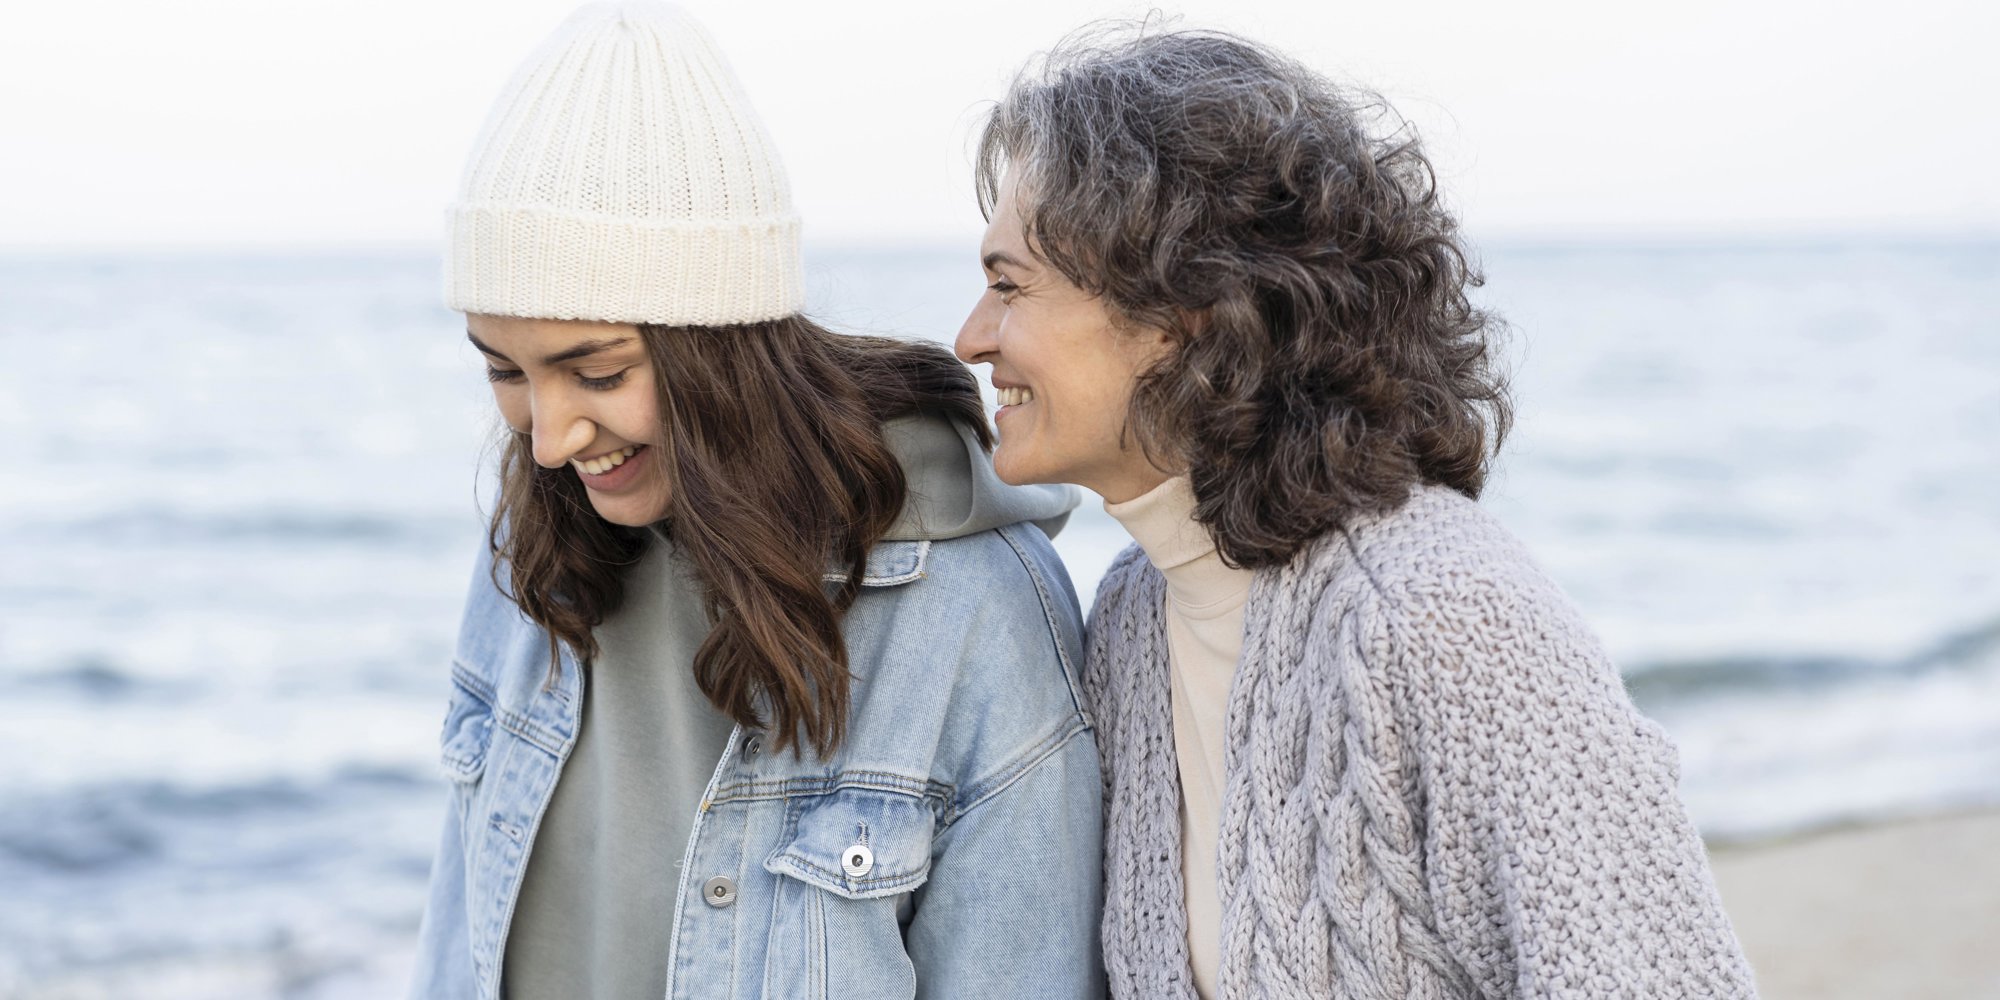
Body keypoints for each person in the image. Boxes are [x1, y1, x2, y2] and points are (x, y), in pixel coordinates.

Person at [955, 26, 1759, 1000]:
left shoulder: (1442, 616)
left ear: (1183, 310)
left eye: (1008, 286)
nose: (972, 337)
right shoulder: (1130, 620)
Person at [408, 4, 1104, 998]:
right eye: (505, 371)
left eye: (597, 374)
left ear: (721, 347)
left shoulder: (970, 609)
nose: (551, 438)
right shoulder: (528, 551)